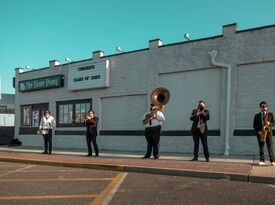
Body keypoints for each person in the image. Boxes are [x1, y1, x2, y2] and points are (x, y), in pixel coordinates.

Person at [253, 101, 275, 166]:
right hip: (261, 133)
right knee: (261, 147)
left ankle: (273, 160)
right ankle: (262, 160)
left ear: (267, 107)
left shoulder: (270, 114)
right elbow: (254, 125)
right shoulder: (257, 116)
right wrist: (259, 131)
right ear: (260, 107)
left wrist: (269, 123)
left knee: (270, 147)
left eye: (266, 106)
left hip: (268, 133)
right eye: (263, 106)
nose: (264, 107)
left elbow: (274, 122)